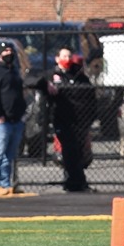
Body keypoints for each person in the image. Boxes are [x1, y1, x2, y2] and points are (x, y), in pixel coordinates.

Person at [45, 48, 97, 192]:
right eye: (64, 56)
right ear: (57, 58)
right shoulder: (52, 75)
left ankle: (74, 182)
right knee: (69, 150)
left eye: (69, 56)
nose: (67, 59)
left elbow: (90, 95)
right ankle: (76, 182)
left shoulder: (79, 75)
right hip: (63, 119)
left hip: (80, 120)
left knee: (79, 152)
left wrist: (90, 117)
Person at [0, 41, 27, 197]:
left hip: (16, 119)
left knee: (10, 154)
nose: (9, 53)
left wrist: (21, 112)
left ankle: (5, 184)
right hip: (1, 121)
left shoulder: (14, 71)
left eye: (10, 50)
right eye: (5, 50)